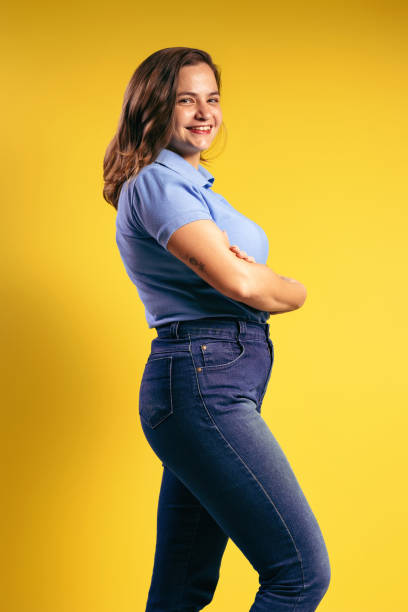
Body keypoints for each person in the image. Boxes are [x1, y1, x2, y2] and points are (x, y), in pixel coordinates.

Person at [103, 47, 331, 611]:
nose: (204, 113)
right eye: (186, 100)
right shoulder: (158, 184)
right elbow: (246, 287)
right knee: (299, 574)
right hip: (204, 385)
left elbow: (246, 282)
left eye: (212, 99)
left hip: (210, 384)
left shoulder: (198, 188)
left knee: (181, 589)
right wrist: (287, 287)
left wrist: (256, 279)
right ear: (154, 106)